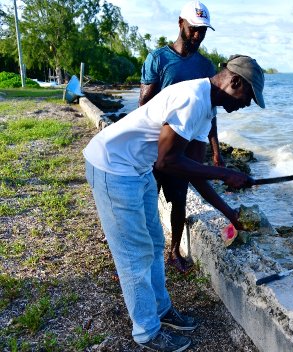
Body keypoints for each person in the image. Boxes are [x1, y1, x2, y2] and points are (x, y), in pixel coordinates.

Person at [83, 54, 265, 352]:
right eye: (249, 96)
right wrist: (225, 173)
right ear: (234, 82)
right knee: (134, 255)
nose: (248, 104)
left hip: (137, 169)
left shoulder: (207, 109)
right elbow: (167, 162)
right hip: (112, 167)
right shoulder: (192, 99)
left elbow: (195, 172)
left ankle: (161, 308)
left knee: (154, 243)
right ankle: (147, 331)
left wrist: (229, 212)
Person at [139, 0, 224, 273]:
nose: (198, 35)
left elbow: (209, 113)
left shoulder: (205, 66)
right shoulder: (159, 59)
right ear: (180, 24)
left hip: (186, 148)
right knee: (146, 200)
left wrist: (216, 152)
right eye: (194, 29)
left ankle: (174, 251)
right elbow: (144, 105)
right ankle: (141, 253)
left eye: (203, 31)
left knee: (179, 199)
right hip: (155, 145)